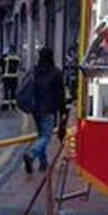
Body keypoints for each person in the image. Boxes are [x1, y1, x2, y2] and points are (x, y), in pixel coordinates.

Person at [22, 47, 65, 175]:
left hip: (36, 109)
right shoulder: (56, 73)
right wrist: (62, 110)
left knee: (41, 136)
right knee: (46, 136)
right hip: (49, 109)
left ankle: (43, 162)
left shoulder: (35, 71)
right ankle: (31, 154)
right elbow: (60, 94)